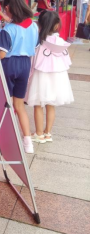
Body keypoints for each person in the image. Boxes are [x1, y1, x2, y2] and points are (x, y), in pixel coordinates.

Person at [0, 0, 38, 154]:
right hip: (25, 64)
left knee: (5, 103)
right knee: (19, 105)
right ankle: (28, 143)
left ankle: (5, 139)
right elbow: (35, 46)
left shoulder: (8, 29)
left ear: (7, 8)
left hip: (9, 64)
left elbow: (2, 54)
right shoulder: (34, 26)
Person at [26, 11, 74, 144]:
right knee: (51, 105)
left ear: (40, 24)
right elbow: (67, 62)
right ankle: (48, 133)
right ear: (57, 25)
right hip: (57, 78)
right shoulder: (61, 43)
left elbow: (33, 62)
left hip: (40, 77)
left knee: (38, 105)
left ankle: (39, 134)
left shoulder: (39, 43)